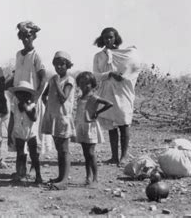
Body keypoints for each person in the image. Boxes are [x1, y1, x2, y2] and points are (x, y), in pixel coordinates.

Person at [93, 27, 141, 167]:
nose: (108, 40)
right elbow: (96, 75)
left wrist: (123, 76)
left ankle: (124, 156)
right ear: (102, 39)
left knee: (124, 122)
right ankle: (114, 156)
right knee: (111, 124)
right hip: (107, 91)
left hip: (123, 91)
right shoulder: (98, 56)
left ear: (116, 38)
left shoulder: (125, 54)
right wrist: (109, 74)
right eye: (106, 38)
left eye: (111, 37)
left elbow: (133, 68)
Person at [8, 21, 51, 157]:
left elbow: (43, 78)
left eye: (29, 36)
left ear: (33, 37)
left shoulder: (36, 56)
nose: (26, 39)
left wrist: (35, 99)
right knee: (19, 134)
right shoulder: (18, 55)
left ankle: (34, 170)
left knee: (33, 135)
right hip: (19, 98)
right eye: (23, 36)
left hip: (31, 100)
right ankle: (21, 170)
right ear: (20, 37)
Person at [42, 51, 76, 190]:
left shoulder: (69, 80)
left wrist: (56, 83)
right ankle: (60, 177)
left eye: (62, 64)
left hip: (63, 118)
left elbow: (63, 98)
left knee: (64, 150)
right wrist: (50, 109)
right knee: (59, 149)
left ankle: (64, 181)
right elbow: (44, 96)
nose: (59, 67)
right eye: (56, 64)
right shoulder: (52, 79)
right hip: (54, 117)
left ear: (67, 65)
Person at [74, 71, 113, 188]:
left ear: (92, 84)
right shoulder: (80, 98)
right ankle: (88, 177)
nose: (84, 86)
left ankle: (95, 178)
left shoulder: (93, 97)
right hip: (82, 126)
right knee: (86, 154)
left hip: (90, 127)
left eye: (87, 84)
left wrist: (97, 112)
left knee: (91, 153)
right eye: (81, 83)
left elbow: (109, 103)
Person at [9, 80, 42, 184]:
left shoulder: (32, 105)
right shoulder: (14, 105)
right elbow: (11, 120)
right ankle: (20, 173)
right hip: (18, 132)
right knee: (20, 154)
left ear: (28, 95)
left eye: (24, 94)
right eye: (18, 94)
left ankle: (38, 175)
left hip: (30, 133)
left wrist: (27, 108)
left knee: (34, 155)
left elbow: (34, 118)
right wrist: (10, 134)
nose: (20, 96)